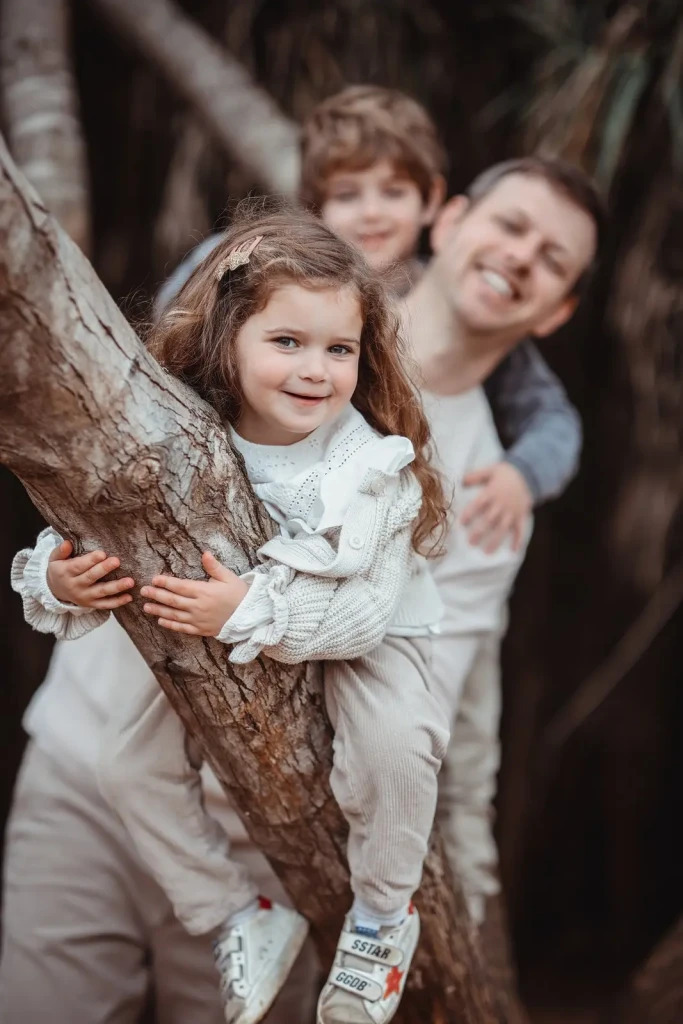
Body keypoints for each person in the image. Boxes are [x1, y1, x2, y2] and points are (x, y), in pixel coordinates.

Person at [12, 210, 451, 1024]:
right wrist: (65, 581)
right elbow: (87, 529)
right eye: (286, 342)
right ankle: (233, 912)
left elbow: (360, 613)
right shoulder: (181, 434)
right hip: (229, 636)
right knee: (129, 765)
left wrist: (250, 606)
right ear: (228, 340)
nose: (315, 369)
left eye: (339, 349)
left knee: (394, 752)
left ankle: (383, 921)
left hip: (364, 641)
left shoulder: (372, 467)